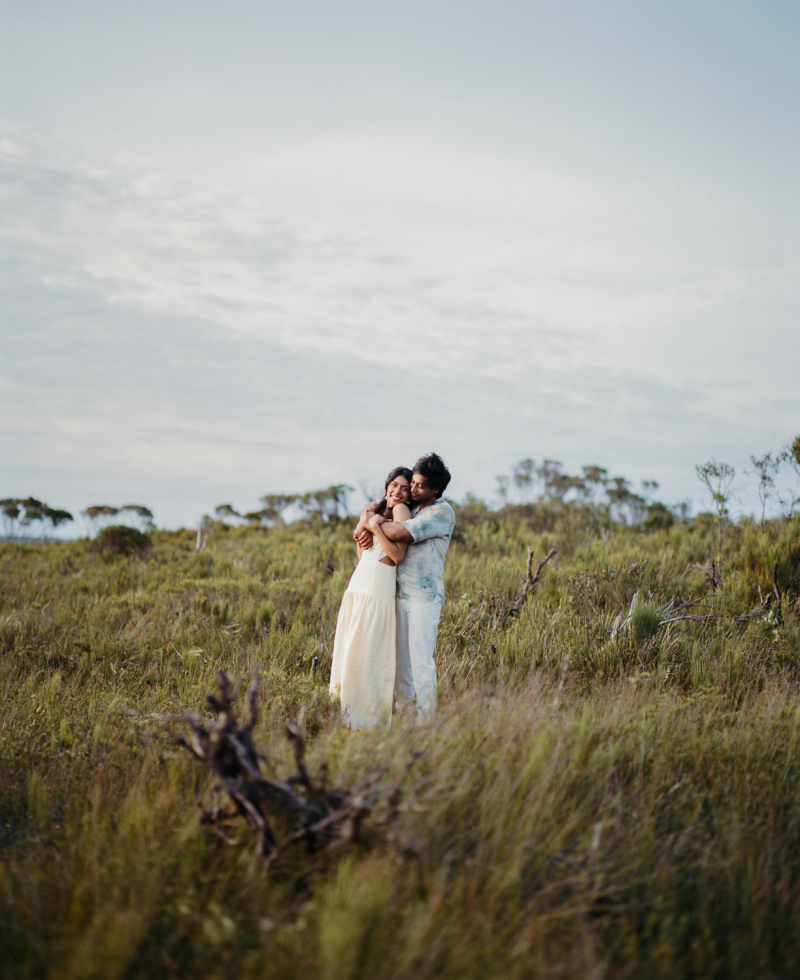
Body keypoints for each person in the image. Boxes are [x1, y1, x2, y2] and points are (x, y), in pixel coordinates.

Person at [354, 453, 455, 717]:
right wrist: (369, 514)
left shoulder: (440, 512)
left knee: (421, 663)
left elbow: (400, 532)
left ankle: (427, 722)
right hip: (397, 594)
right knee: (399, 665)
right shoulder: (414, 505)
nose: (412, 488)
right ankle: (407, 720)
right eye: (414, 483)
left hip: (424, 598)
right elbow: (386, 501)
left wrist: (370, 523)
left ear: (435, 489)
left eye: (420, 485)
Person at [329, 466, 413, 729]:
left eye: (405, 488)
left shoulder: (400, 511)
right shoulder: (375, 510)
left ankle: (365, 721)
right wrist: (364, 527)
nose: (398, 491)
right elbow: (363, 554)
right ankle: (347, 715)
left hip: (377, 589)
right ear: (387, 485)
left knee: (368, 655)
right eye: (394, 485)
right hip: (360, 585)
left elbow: (397, 556)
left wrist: (374, 527)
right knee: (352, 652)